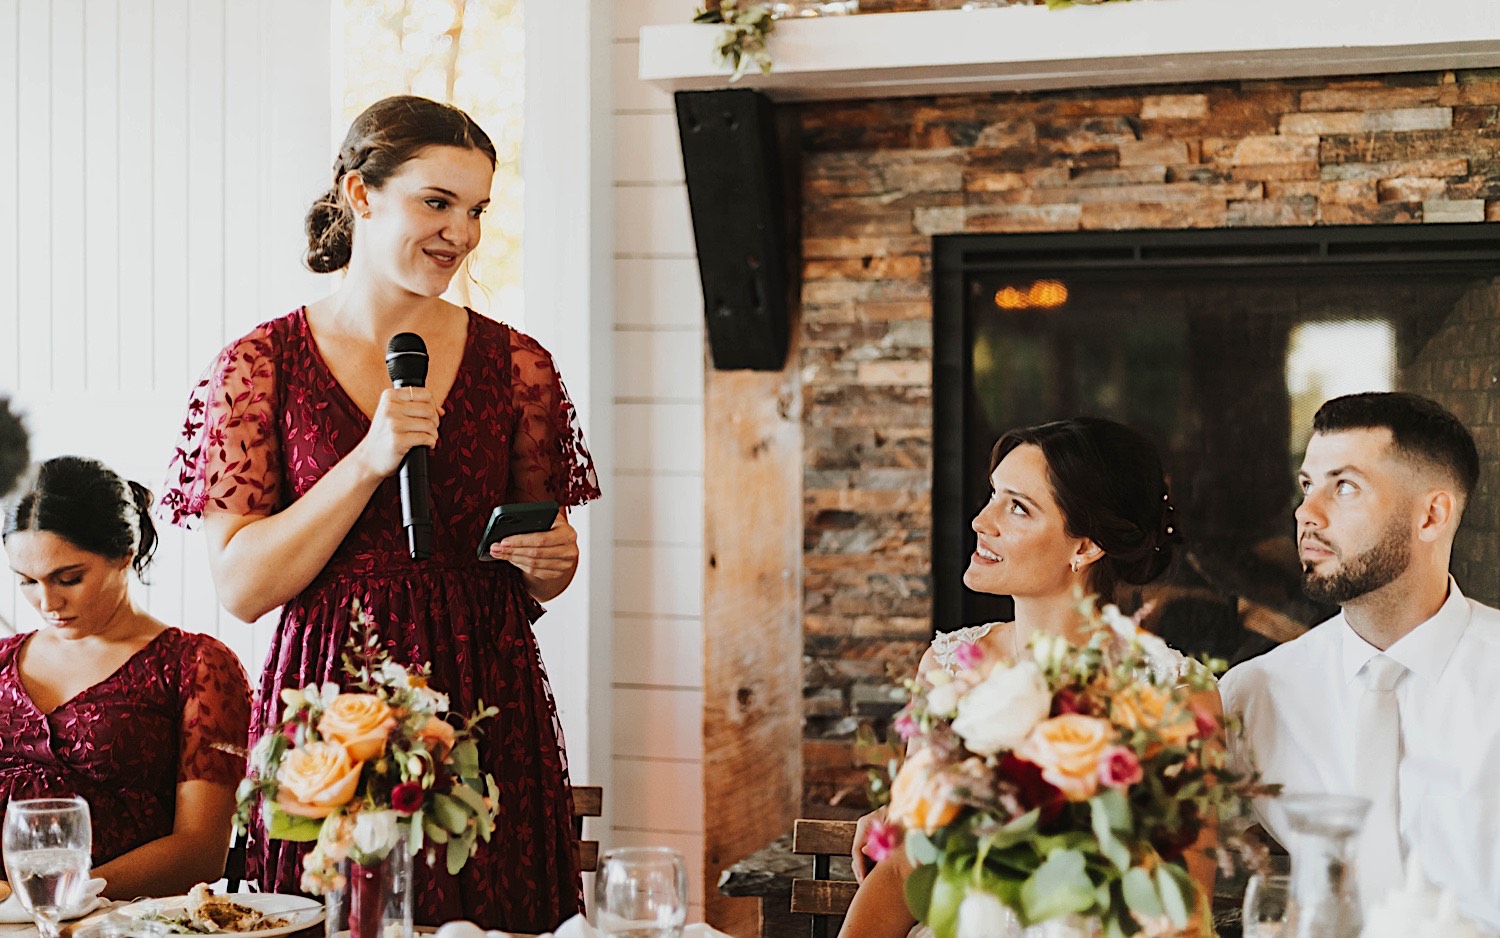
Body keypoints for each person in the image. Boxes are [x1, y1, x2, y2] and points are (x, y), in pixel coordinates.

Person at [162, 95, 599, 932]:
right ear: (360, 194)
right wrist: (367, 460)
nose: (461, 234)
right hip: (331, 710)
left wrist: (554, 559)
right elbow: (243, 586)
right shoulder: (261, 364)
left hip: (484, 694)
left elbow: (547, 553)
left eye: (475, 211)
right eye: (436, 203)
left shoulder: (518, 364)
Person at [840, 417, 1215, 938]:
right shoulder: (950, 667)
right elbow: (905, 866)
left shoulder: (1174, 695)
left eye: (1017, 507)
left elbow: (1186, 911)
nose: (980, 521)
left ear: (1084, 547)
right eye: (994, 496)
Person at [1221, 392, 1499, 929]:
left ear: (1431, 515)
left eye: (1344, 487)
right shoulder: (1254, 696)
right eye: (1308, 485)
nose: (1307, 513)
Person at [0, 456, 251, 898]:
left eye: (69, 578)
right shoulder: (2, 661)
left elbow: (201, 850)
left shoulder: (196, 666)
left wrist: (53, 900)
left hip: (124, 919)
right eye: (26, 581)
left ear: (123, 554)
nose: (46, 601)